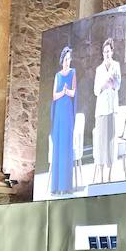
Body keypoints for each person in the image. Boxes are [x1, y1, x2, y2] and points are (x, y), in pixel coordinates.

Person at [92, 38, 122, 185]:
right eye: (104, 52)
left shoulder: (116, 66)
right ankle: (101, 175)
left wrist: (113, 83)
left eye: (108, 51)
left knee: (110, 141)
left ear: (112, 51)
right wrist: (104, 85)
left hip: (112, 108)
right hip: (101, 110)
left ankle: (110, 174)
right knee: (101, 142)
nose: (106, 54)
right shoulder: (98, 69)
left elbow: (118, 84)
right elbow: (96, 90)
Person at [49, 46, 77, 195]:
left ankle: (65, 186)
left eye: (69, 59)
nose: (67, 62)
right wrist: (62, 92)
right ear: (62, 60)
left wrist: (67, 91)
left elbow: (73, 92)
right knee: (58, 146)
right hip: (59, 111)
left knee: (66, 145)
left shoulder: (73, 73)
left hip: (67, 112)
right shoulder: (58, 75)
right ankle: (56, 186)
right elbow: (54, 95)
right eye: (65, 59)